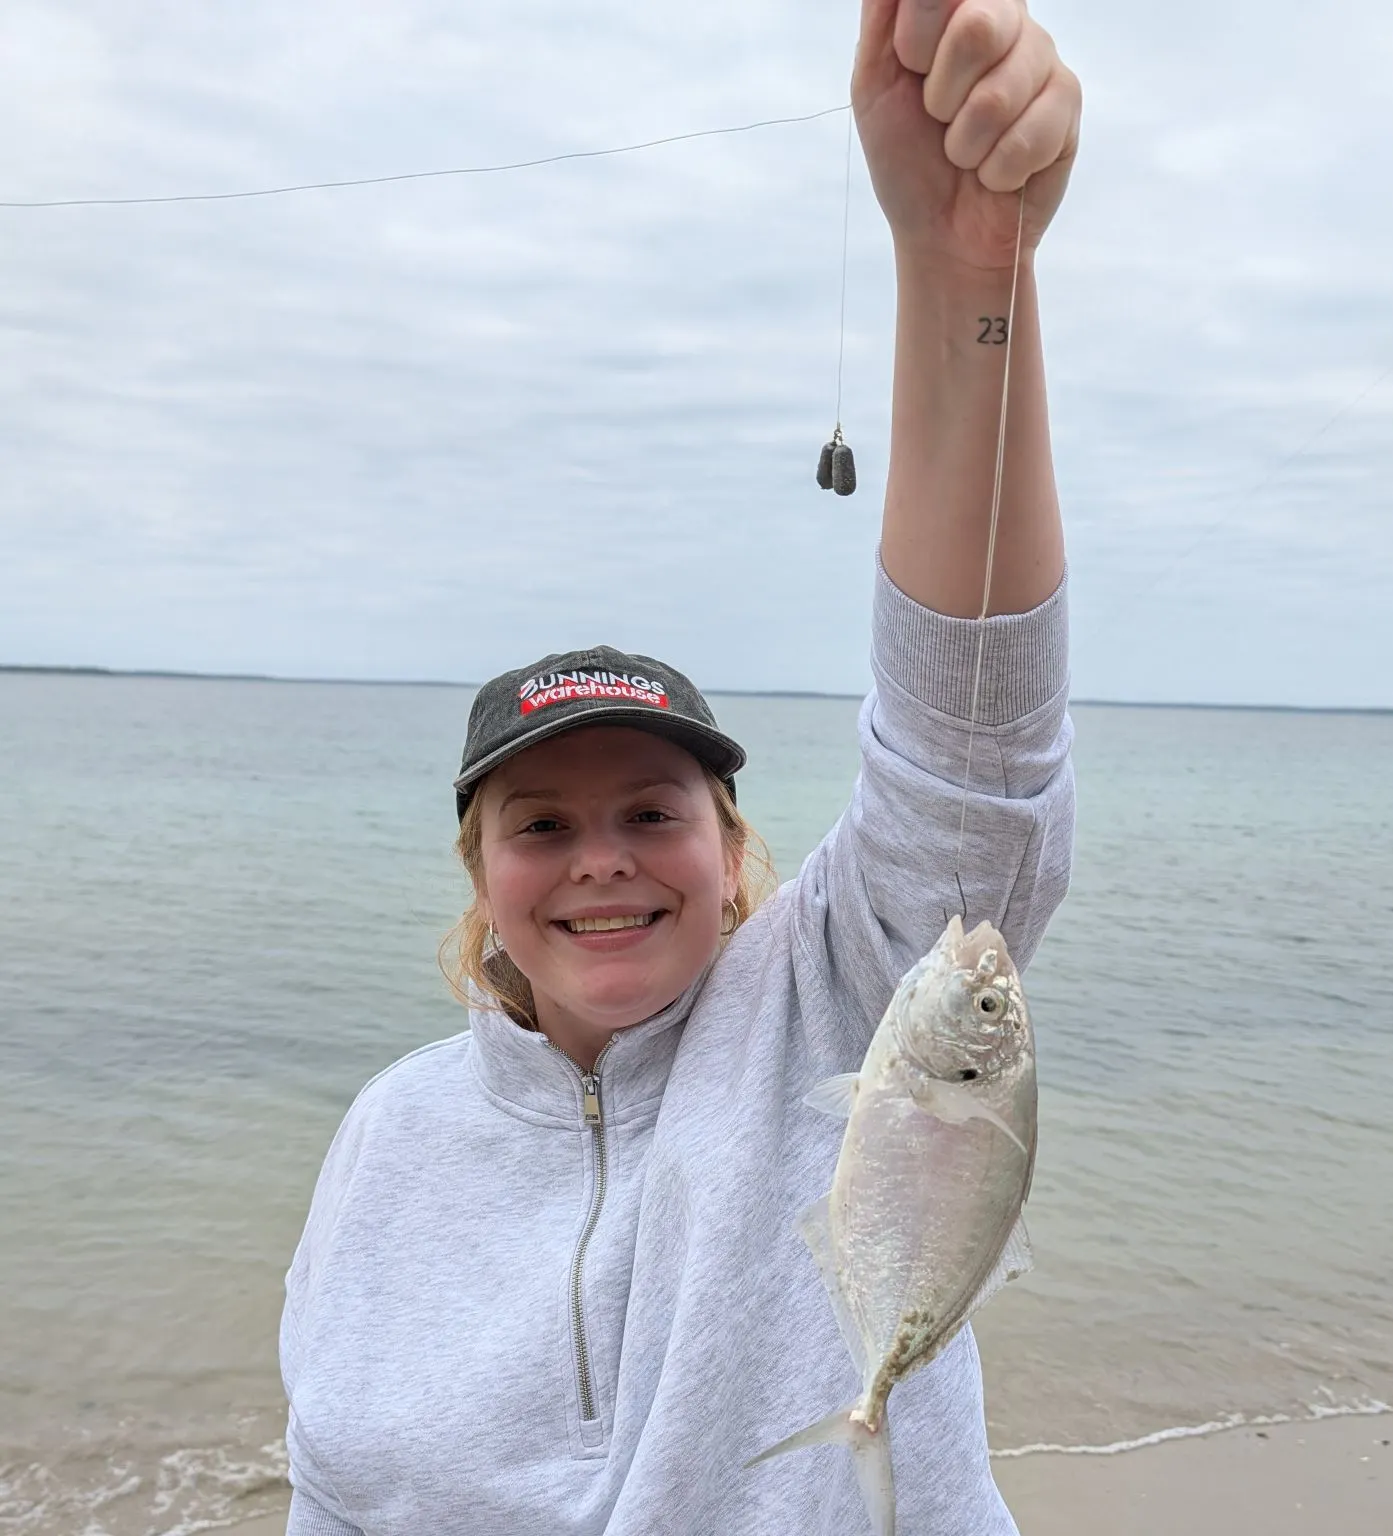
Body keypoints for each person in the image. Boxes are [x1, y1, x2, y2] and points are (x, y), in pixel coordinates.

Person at [278, 2, 1081, 1532]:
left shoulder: (839, 1000)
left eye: (654, 811)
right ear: (481, 876)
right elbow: (330, 1485)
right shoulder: (388, 1137)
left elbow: (974, 748)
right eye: (542, 822)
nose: (602, 859)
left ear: (731, 848)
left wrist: (969, 268)